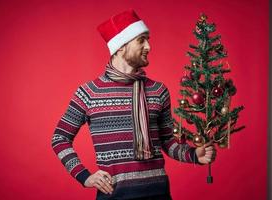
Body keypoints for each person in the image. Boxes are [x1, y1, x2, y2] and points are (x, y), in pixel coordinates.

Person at [51, 9, 216, 200]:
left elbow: (168, 141)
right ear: (120, 46)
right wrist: (84, 176)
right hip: (113, 195)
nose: (149, 46)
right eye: (141, 40)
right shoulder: (89, 92)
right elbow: (59, 138)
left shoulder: (158, 90)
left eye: (148, 39)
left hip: (159, 194)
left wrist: (195, 155)